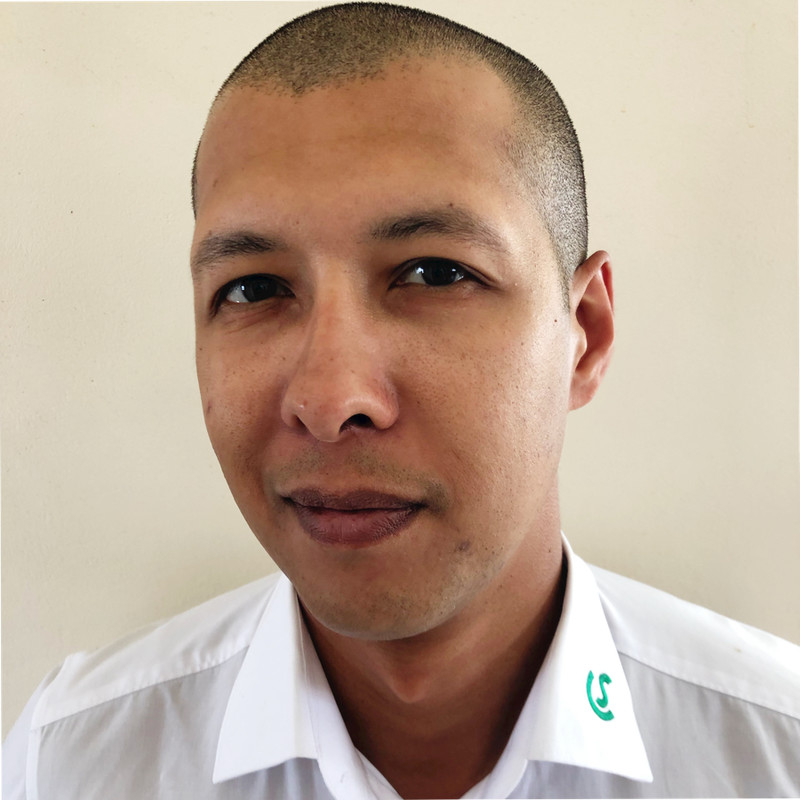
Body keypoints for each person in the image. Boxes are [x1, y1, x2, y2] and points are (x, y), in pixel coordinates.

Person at [4, 3, 799, 798]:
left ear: (583, 336)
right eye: (255, 288)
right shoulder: (71, 763)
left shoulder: (774, 756)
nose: (329, 400)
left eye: (435, 274)